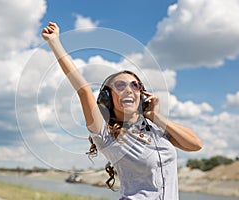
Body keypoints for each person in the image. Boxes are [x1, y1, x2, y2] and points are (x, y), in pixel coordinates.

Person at [41, 22, 202, 200]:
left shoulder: (157, 131)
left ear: (141, 95)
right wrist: (54, 42)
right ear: (108, 98)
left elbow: (195, 145)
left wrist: (155, 116)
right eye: (120, 85)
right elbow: (83, 89)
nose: (128, 89)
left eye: (135, 85)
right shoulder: (106, 135)